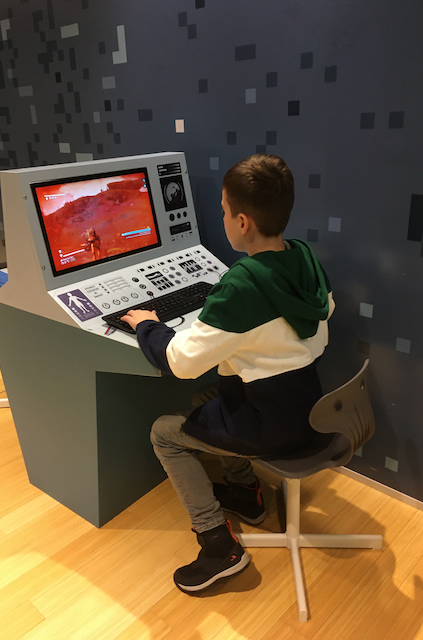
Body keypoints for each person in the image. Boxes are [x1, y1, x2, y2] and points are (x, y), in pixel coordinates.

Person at [122, 154, 335, 593]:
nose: (221, 218)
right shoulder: (304, 258)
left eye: (222, 211)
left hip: (273, 426)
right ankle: (246, 494)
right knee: (209, 399)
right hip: (311, 408)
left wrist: (147, 325)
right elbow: (323, 313)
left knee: (164, 433)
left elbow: (181, 362)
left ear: (242, 222)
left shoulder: (241, 286)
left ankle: (218, 546)